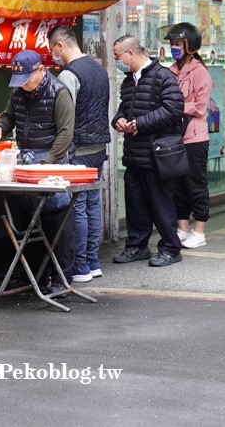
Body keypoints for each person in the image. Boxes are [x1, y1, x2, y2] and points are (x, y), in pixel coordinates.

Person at [0, 49, 77, 292]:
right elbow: (8, 116)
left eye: (26, 79)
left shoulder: (59, 93)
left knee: (56, 219)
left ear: (41, 70)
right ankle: (35, 278)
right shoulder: (18, 91)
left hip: (53, 159)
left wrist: (47, 161)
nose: (22, 85)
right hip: (26, 160)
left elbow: (66, 134)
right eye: (19, 81)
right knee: (29, 220)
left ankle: (61, 279)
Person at [111, 35, 185, 267]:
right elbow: (124, 109)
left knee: (161, 204)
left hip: (157, 155)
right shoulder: (128, 81)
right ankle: (137, 246)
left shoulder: (162, 76)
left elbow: (174, 109)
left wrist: (141, 123)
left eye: (117, 57)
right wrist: (119, 120)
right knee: (135, 205)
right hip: (134, 155)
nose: (117, 61)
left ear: (130, 53)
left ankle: (171, 249)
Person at [48, 24, 111, 284]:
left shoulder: (69, 75)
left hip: (79, 150)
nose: (53, 54)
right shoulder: (99, 69)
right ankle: (93, 262)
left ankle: (81, 265)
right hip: (98, 147)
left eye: (52, 48)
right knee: (94, 203)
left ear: (60, 46)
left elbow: (66, 119)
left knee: (79, 207)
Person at [165, 23, 212, 249]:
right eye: (172, 43)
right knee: (178, 185)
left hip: (195, 138)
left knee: (195, 184)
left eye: (178, 44)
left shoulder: (200, 72)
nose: (174, 48)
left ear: (190, 46)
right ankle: (182, 229)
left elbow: (200, 106)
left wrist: (175, 106)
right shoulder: (171, 71)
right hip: (176, 137)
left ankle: (200, 231)